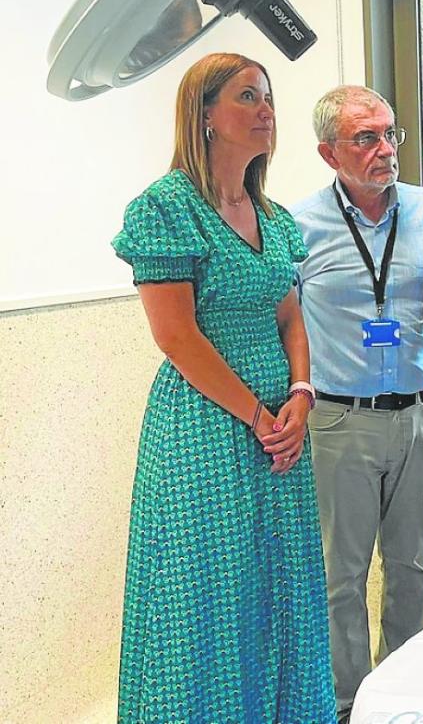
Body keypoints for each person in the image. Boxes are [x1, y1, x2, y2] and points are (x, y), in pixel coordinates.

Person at [111, 53, 335, 722]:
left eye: (267, 97)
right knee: (207, 594)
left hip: (279, 435)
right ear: (204, 115)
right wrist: (257, 413)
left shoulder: (271, 214)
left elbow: (290, 312)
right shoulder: (166, 206)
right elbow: (176, 337)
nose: (266, 110)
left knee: (278, 587)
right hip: (205, 429)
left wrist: (300, 394)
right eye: (247, 97)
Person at [291, 85, 423, 723]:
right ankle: (348, 705)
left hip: (421, 415)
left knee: (411, 567)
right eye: (366, 138)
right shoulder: (296, 226)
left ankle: (403, 698)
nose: (385, 149)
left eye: (391, 134)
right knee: (342, 578)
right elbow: (286, 322)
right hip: (338, 421)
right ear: (330, 152)